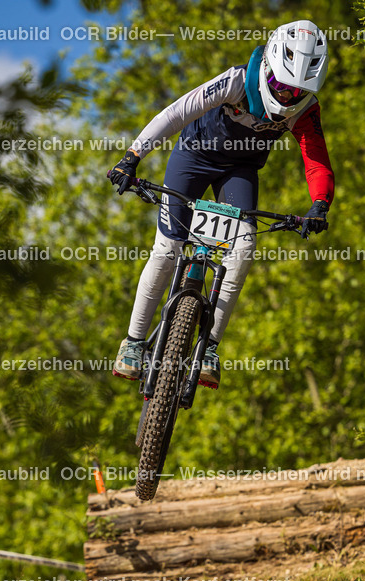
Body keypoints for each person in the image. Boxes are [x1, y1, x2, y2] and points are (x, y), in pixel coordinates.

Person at [108, 19, 335, 389]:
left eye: (297, 92)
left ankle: (210, 347)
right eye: (280, 85)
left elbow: (317, 161)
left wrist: (320, 205)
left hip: (239, 170)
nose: (286, 98)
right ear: (267, 68)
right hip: (193, 157)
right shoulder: (235, 82)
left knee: (243, 249)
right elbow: (176, 113)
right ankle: (132, 343)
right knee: (167, 249)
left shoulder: (305, 110)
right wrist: (133, 156)